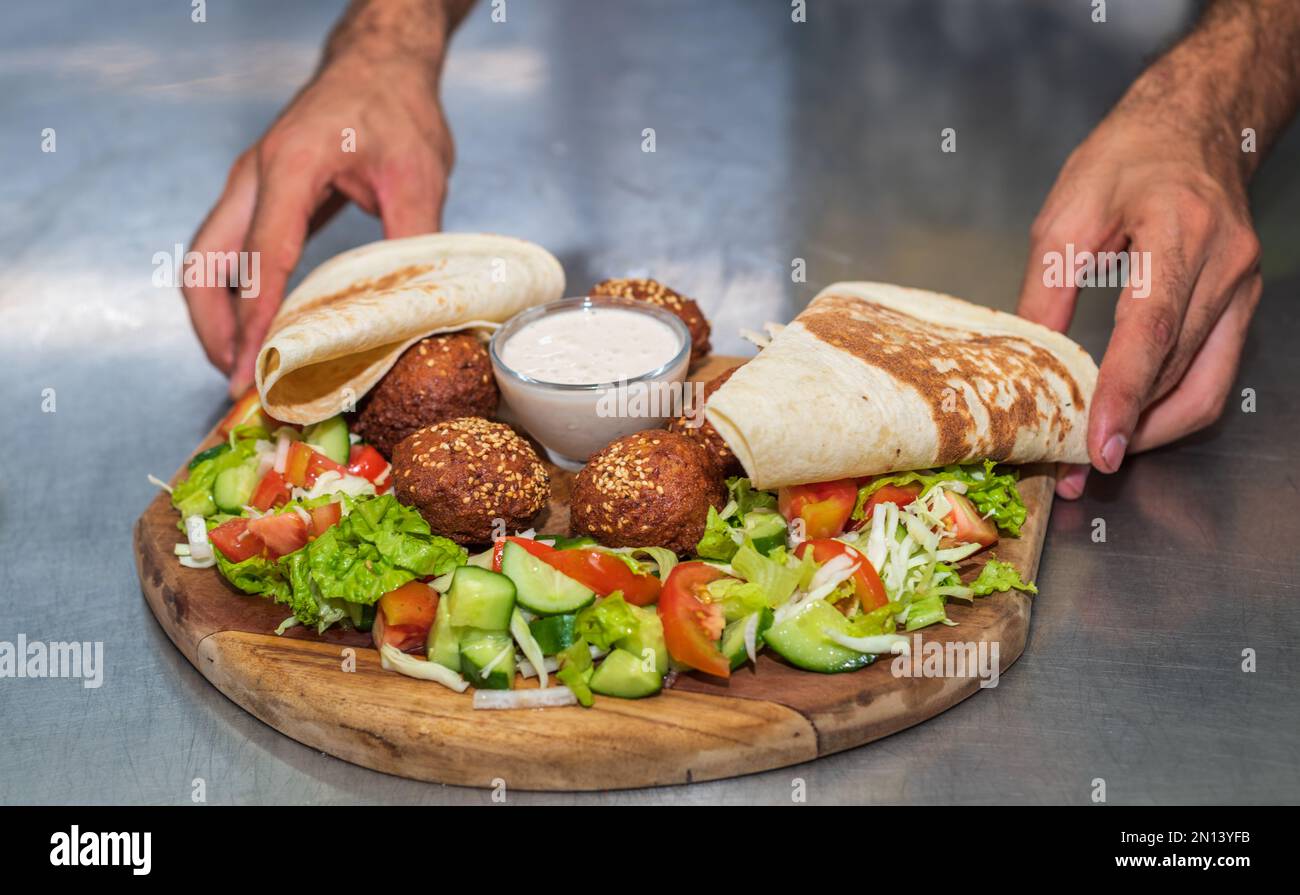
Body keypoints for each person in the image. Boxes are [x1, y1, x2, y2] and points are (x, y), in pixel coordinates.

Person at [181, 0, 1300, 500]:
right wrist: (391, 31)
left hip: (1166, 85)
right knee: (837, 408)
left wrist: (1219, 96)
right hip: (846, 98)